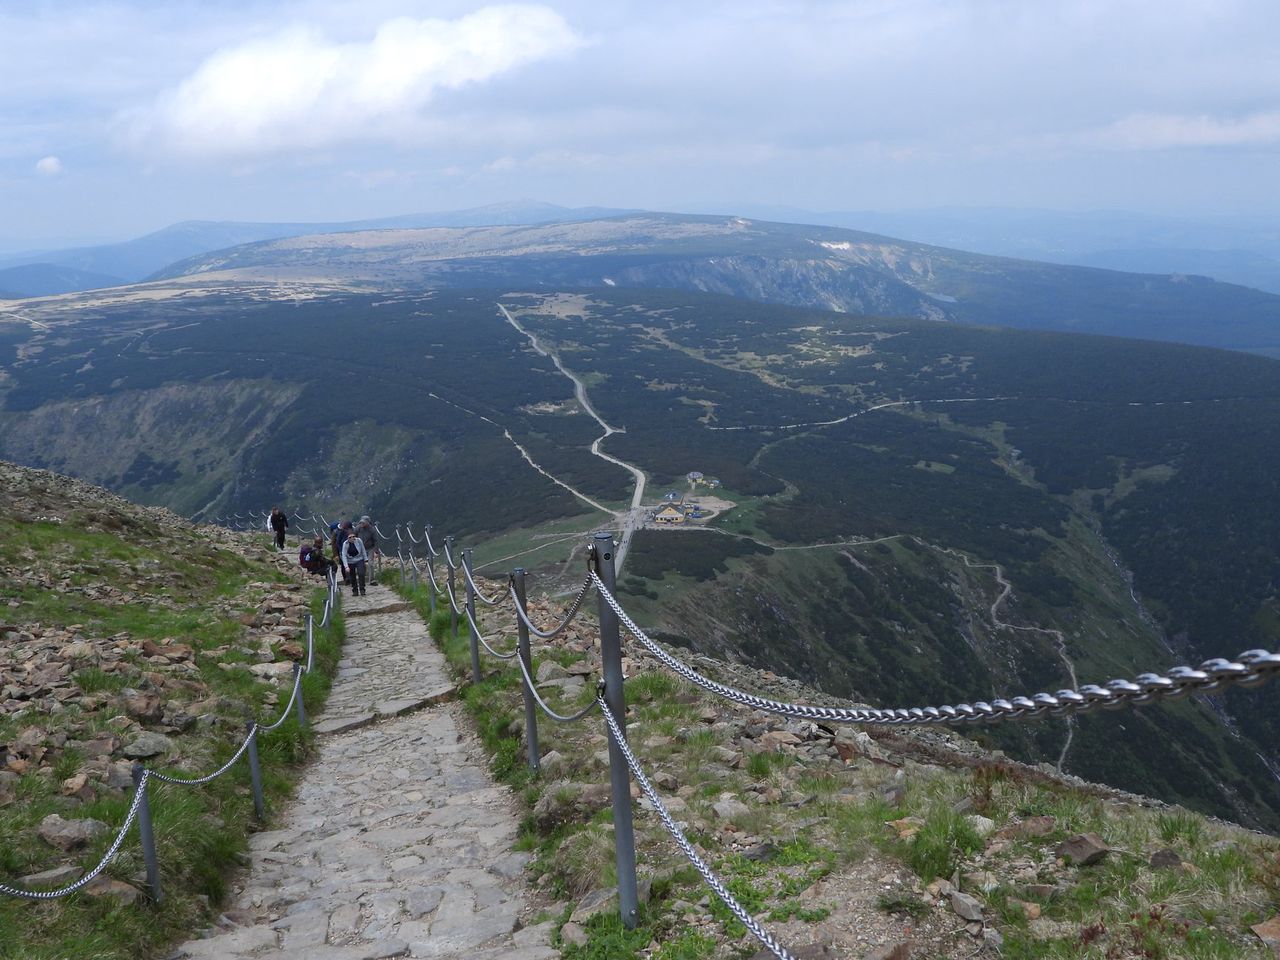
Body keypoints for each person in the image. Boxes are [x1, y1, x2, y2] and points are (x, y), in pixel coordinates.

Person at [341, 529, 369, 596]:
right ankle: (355, 590)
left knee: (361, 573)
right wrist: (346, 566)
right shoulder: (345, 544)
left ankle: (362, 589)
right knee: (352, 576)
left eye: (353, 536)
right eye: (350, 537)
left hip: (359, 559)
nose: (352, 538)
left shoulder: (359, 541)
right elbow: (344, 555)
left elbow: (363, 550)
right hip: (350, 561)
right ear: (347, 538)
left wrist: (366, 560)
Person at [357, 516, 379, 584]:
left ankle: (372, 579)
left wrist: (376, 551)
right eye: (361, 522)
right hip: (360, 548)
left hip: (370, 548)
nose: (362, 524)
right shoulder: (358, 528)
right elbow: (353, 536)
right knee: (360, 564)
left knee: (370, 563)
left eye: (364, 522)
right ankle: (361, 579)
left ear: (368, 522)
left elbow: (376, 540)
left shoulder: (372, 530)